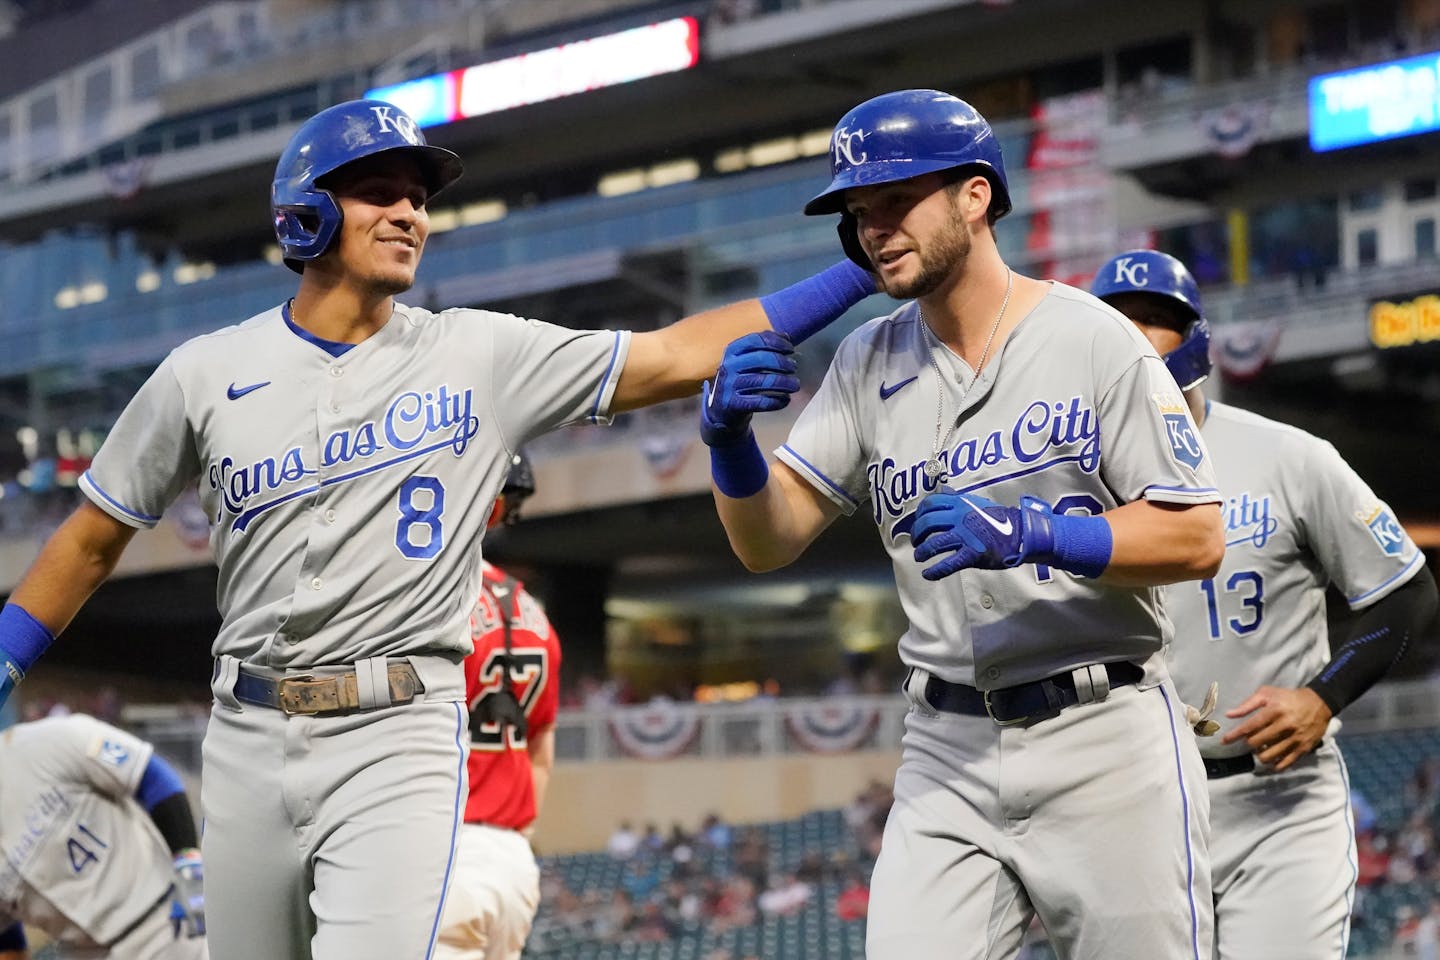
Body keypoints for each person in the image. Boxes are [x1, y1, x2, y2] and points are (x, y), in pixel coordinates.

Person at [0, 98, 877, 960]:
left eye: (419, 197)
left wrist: (856, 271)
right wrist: (5, 656)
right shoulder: (203, 373)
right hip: (247, 731)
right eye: (380, 191)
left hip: (399, 730)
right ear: (304, 215)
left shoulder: (478, 354)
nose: (409, 212)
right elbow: (91, 537)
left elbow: (674, 353)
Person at [699, 88, 1226, 959]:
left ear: (975, 195)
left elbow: (1195, 536)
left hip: (1103, 734)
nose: (874, 227)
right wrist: (730, 446)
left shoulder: (1094, 338)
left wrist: (1036, 535)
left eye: (896, 200)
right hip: (946, 744)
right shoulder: (868, 358)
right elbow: (768, 541)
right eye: (860, 211)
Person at [1091, 248, 1439, 959]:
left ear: (1195, 337)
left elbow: (1406, 591)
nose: (1138, 334)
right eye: (1118, 321)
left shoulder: (1288, 457)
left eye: (1158, 319)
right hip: (1140, 813)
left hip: (1278, 802)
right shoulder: (1072, 486)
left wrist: (1323, 697)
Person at [435, 451, 560, 960]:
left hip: (444, 850)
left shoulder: (431, 601)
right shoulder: (534, 613)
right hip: (511, 859)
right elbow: (542, 753)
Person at [0, 713, 207, 960]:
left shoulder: (45, 743)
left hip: (165, 927)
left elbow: (155, 778)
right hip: (84, 954)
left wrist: (186, 860)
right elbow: (6, 937)